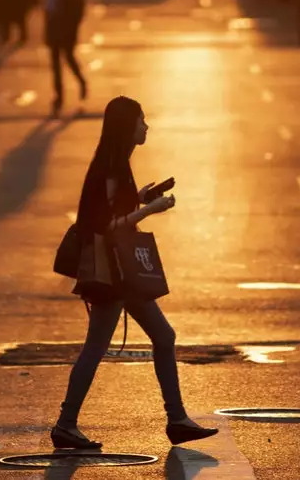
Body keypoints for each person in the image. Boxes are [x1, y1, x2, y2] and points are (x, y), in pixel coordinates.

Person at [52, 96, 216, 451]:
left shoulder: (116, 165)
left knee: (163, 336)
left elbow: (112, 209)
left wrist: (139, 197)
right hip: (111, 274)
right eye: (142, 120)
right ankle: (66, 424)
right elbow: (107, 225)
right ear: (128, 126)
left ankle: (177, 420)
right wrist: (151, 209)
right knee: (96, 348)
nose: (146, 126)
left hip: (121, 272)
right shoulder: (110, 169)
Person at [42, 0, 87, 111]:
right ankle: (81, 81)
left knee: (55, 62)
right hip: (69, 26)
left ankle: (59, 97)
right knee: (69, 56)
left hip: (55, 25)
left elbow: (48, 7)